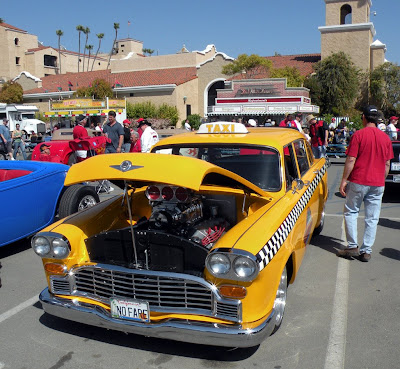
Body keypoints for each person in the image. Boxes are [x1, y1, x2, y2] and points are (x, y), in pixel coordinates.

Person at [338, 105, 393, 262]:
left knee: (351, 211)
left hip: (359, 180)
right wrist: (381, 180)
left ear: (364, 117)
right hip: (377, 182)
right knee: (372, 217)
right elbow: (387, 164)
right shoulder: (385, 138)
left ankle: (353, 246)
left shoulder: (358, 135)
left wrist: (344, 180)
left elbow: (351, 159)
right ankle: (366, 250)